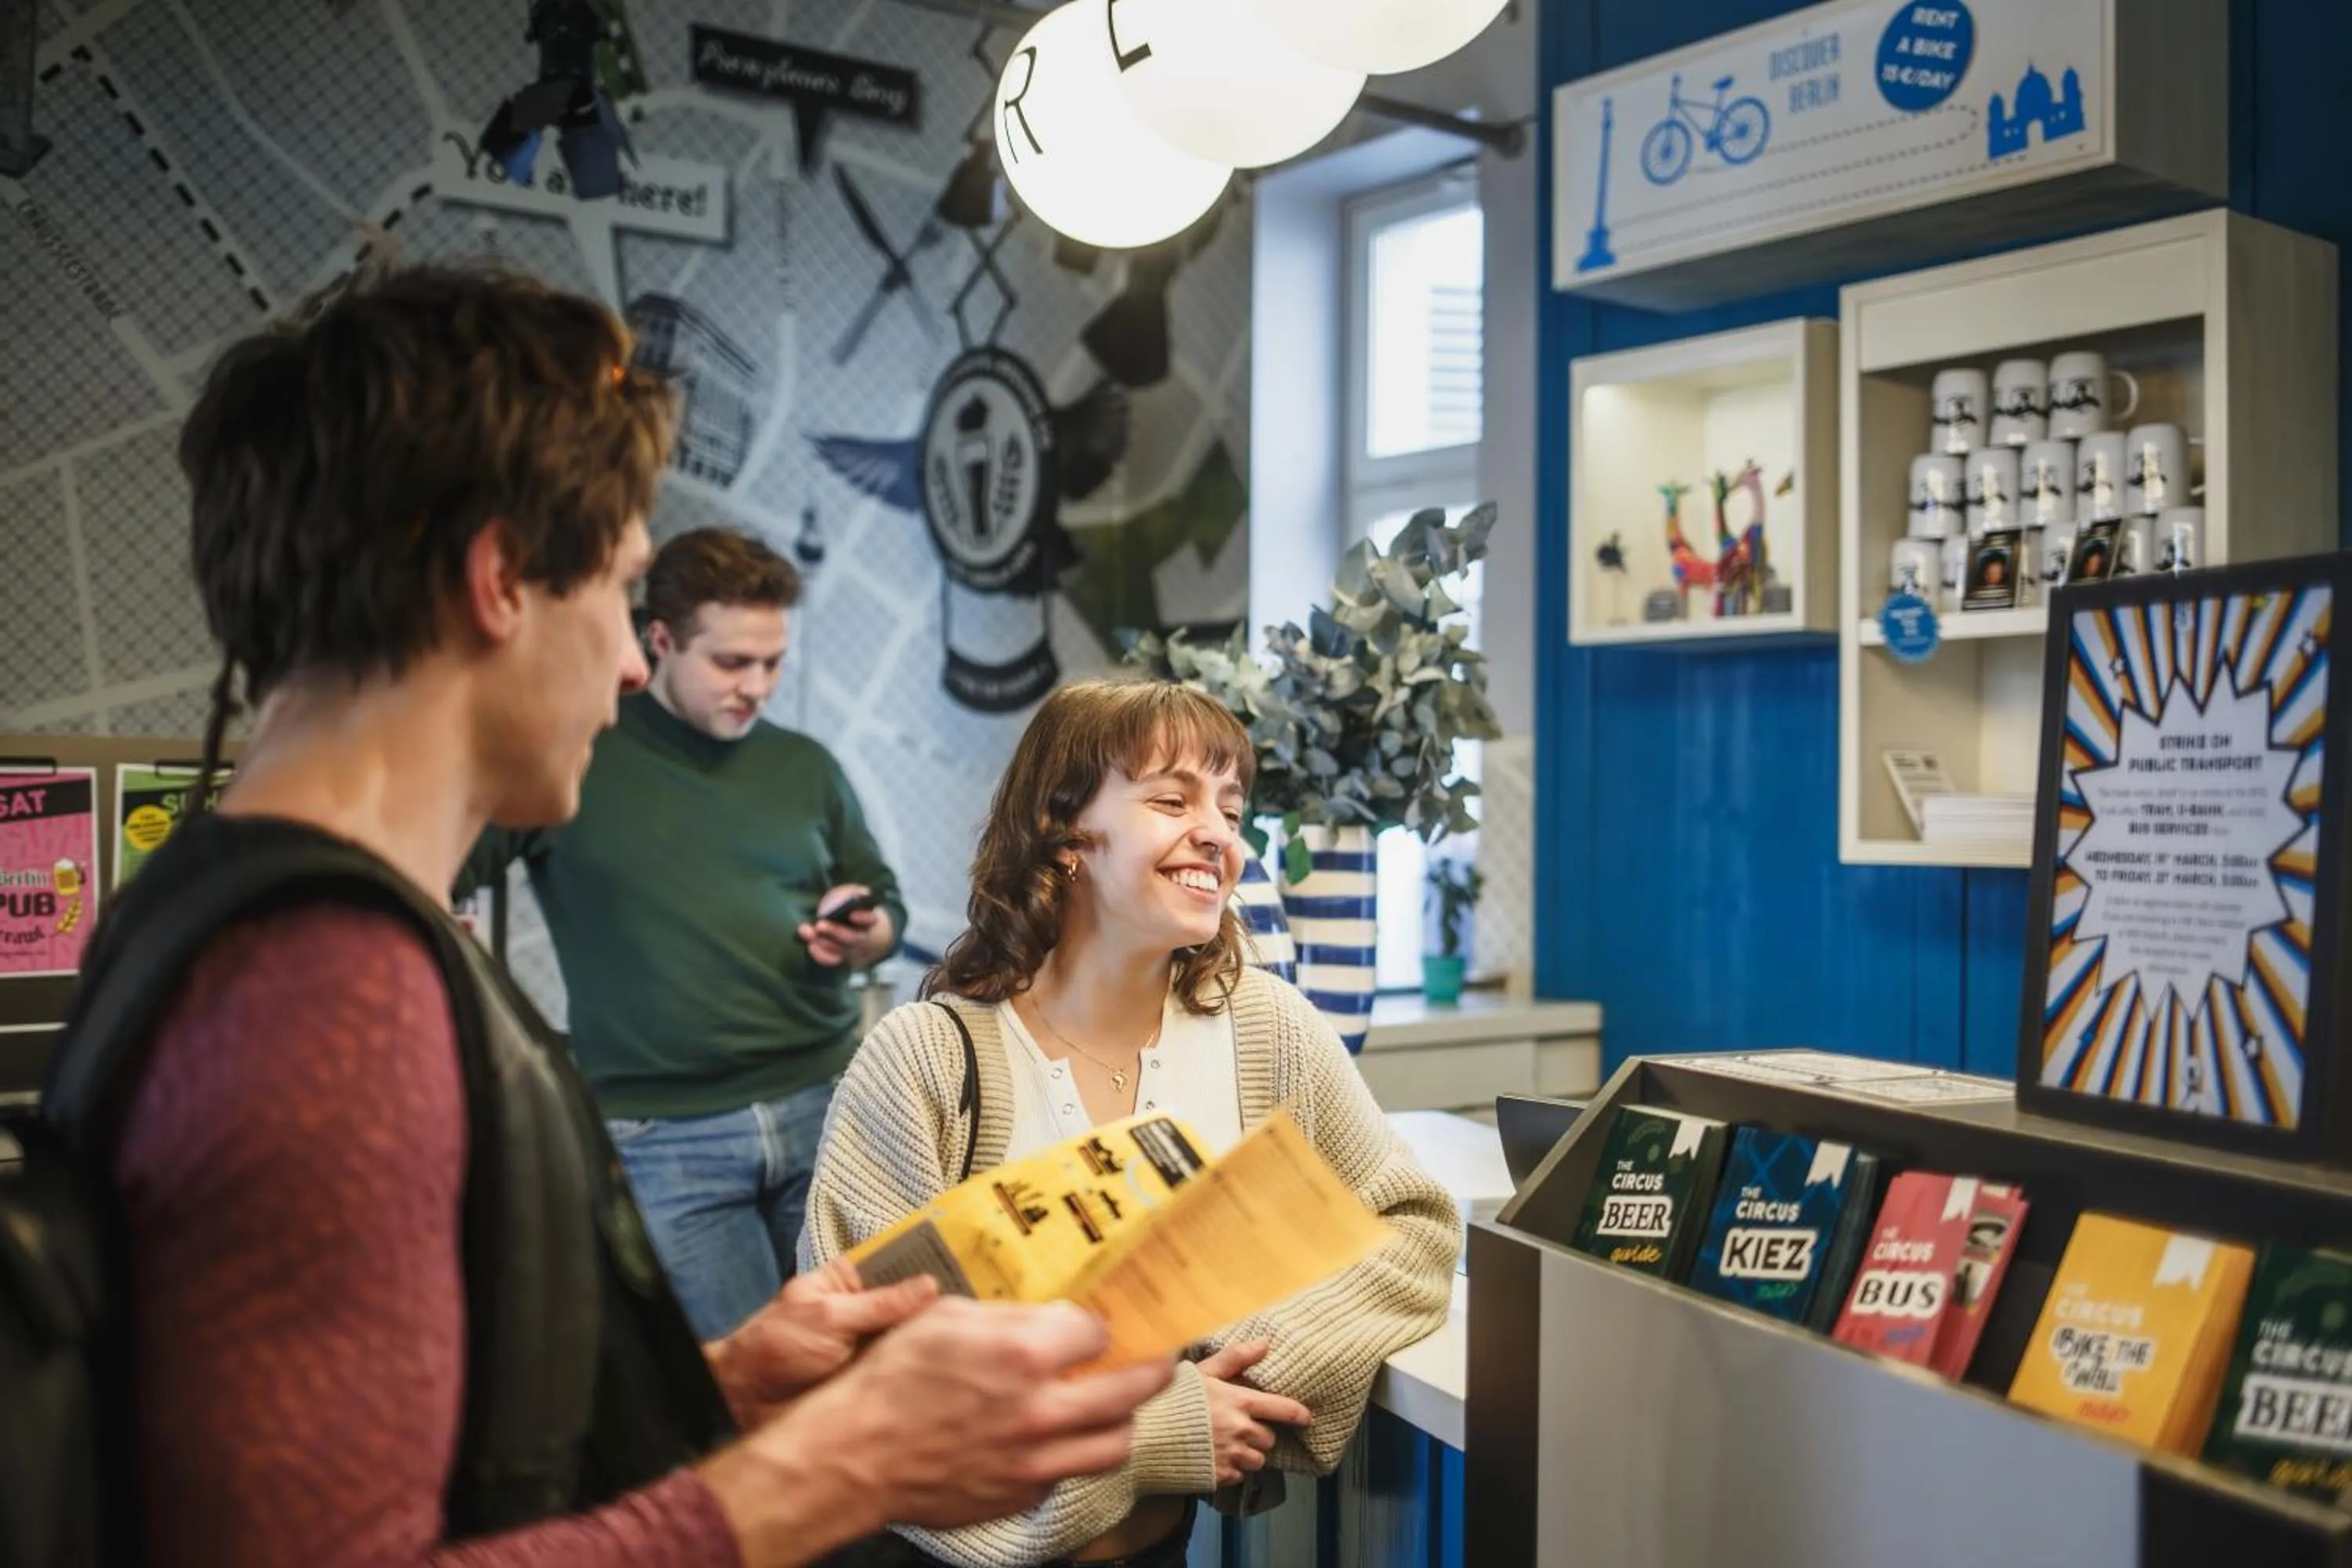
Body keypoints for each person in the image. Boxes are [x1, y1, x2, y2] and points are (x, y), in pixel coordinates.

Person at [68, 260, 1168, 1568]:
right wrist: (837, 1468)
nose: (635, 661)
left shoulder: (236, 916)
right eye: (618, 589)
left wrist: (728, 1387)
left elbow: (443, 1447)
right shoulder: (322, 994)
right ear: (502, 582)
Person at [803, 679, 1459, 1567]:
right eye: (1171, 798)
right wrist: (1159, 1424)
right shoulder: (926, 1059)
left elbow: (1411, 1225)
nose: (1218, 833)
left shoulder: (1267, 1030)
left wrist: (1254, 1361)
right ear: (1067, 832)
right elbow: (867, 1386)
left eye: (1231, 808)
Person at [460, 524, 902, 1339]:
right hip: (665, 1134)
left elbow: (884, 905)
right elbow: (439, 863)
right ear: (658, 641)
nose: (757, 685)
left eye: (772, 662)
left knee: (867, 1365)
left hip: (828, 1102)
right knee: (731, 1404)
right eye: (732, 662)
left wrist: (866, 930)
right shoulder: (575, 755)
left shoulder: (804, 766)